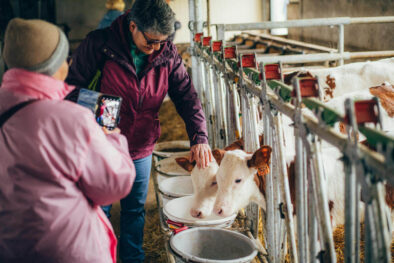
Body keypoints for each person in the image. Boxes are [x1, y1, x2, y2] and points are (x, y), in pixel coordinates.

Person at [65, 0, 212, 262]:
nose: (157, 48)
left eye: (163, 42)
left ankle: (133, 258)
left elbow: (186, 96)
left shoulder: (167, 54)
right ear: (133, 25)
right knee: (100, 209)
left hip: (141, 145)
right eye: (152, 41)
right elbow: (70, 89)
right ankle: (102, 257)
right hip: (101, 144)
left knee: (135, 210)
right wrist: (105, 113)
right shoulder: (99, 44)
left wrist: (199, 137)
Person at [0, 18, 136, 263]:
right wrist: (112, 139)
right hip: (68, 251)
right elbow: (112, 186)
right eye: (64, 57)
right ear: (53, 67)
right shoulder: (70, 119)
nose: (68, 63)